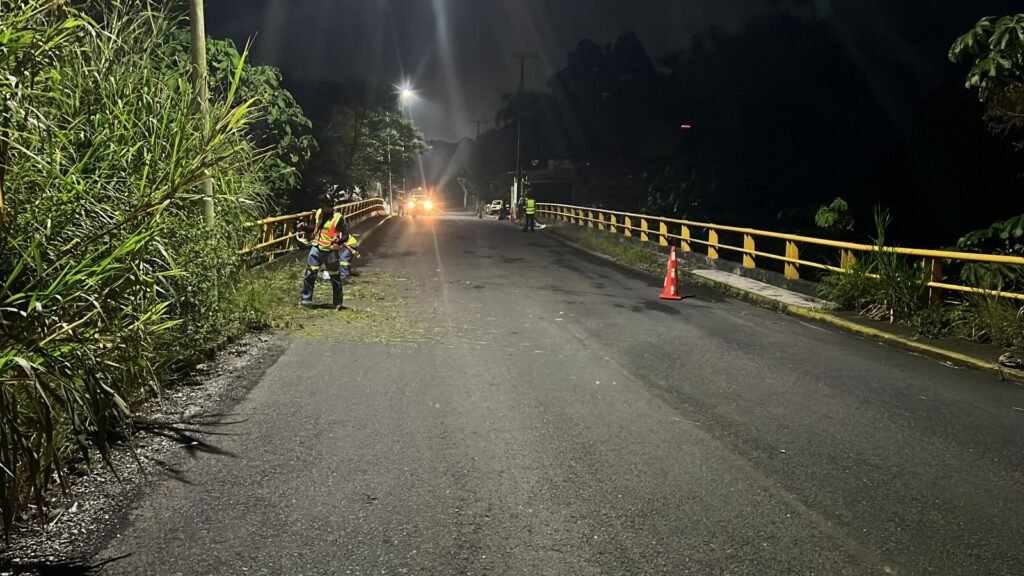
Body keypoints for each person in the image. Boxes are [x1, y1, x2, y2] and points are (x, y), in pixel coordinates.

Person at [299, 195, 350, 309]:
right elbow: (315, 228)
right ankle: (306, 300)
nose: (323, 208)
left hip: (330, 251)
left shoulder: (338, 218)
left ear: (330, 206)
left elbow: (346, 235)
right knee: (309, 274)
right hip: (316, 247)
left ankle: (338, 303)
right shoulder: (318, 213)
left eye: (325, 206)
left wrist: (339, 240)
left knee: (335, 277)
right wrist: (304, 227)